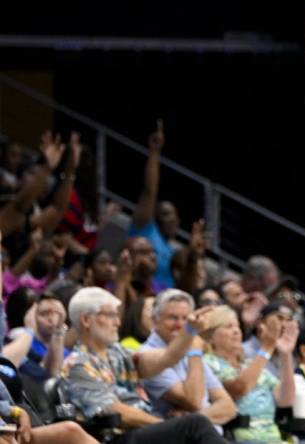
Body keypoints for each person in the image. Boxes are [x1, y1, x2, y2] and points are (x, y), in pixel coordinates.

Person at [61, 287, 228, 443]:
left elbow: (167, 357)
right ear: (86, 320)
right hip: (117, 436)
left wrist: (190, 331)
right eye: (111, 315)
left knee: (194, 426)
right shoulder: (78, 364)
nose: (118, 322)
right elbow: (117, 413)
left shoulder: (117, 352)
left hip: (141, 431)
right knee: (194, 424)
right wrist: (164, 424)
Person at [140, 289, 236, 433]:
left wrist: (188, 421)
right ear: (155, 320)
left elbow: (228, 407)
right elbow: (194, 401)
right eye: (172, 318)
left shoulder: (189, 350)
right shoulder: (148, 355)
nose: (180, 324)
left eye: (185, 319)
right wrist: (195, 352)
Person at [204, 305, 296, 443]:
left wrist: (285, 354)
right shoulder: (207, 363)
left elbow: (286, 400)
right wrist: (267, 347)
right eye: (228, 327)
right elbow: (239, 388)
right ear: (210, 336)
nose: (236, 331)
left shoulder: (250, 364)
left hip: (273, 439)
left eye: (237, 326)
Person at [129, 120, 179, 290]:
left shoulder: (172, 252)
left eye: (174, 215)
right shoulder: (144, 230)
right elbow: (149, 191)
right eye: (165, 214)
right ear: (155, 217)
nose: (171, 219)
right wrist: (155, 153)